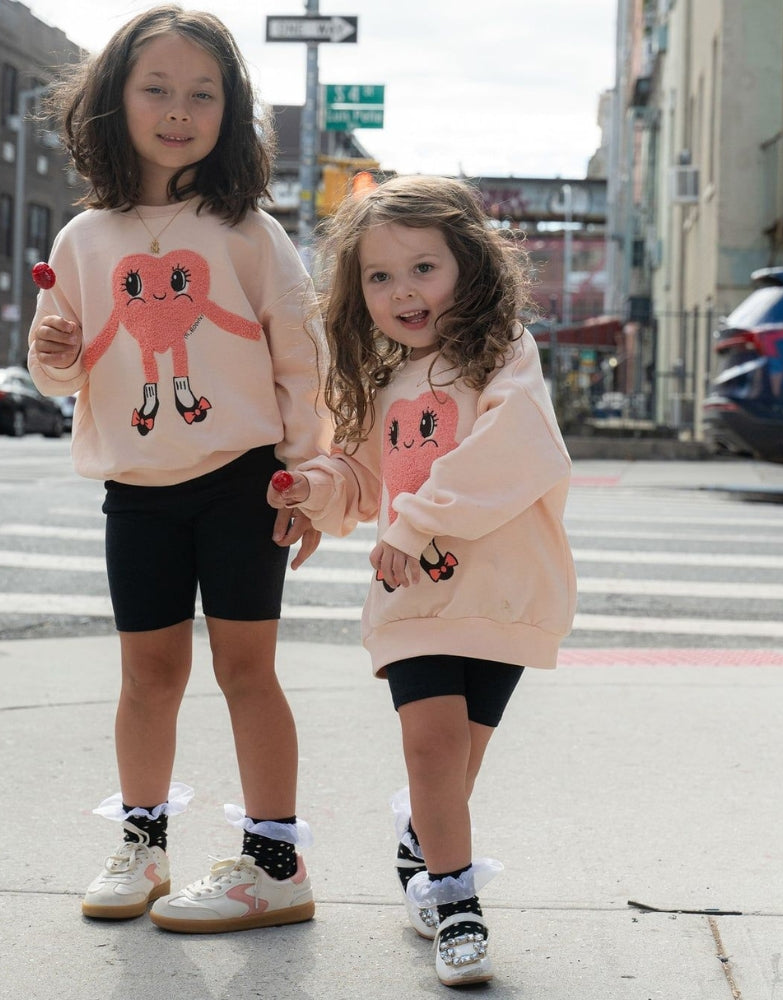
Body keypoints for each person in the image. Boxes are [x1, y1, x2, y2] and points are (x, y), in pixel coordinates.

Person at [27, 5, 331, 934]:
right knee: (146, 677)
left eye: (202, 94)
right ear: (113, 101)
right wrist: (51, 352)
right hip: (137, 492)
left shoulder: (249, 232)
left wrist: (307, 472)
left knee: (248, 671)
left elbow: (301, 358)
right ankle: (143, 846)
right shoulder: (83, 239)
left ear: (230, 111)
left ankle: (275, 865)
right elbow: (64, 370)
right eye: (155, 88)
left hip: (245, 481)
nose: (177, 110)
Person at [267, 175, 576, 986]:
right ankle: (457, 902)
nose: (402, 292)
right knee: (432, 745)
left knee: (455, 764)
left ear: (469, 265)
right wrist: (312, 489)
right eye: (379, 276)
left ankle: (423, 847)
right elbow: (360, 479)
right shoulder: (381, 385)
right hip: (412, 600)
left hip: (501, 594)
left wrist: (416, 522)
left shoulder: (503, 357)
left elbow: (518, 450)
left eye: (423, 269)